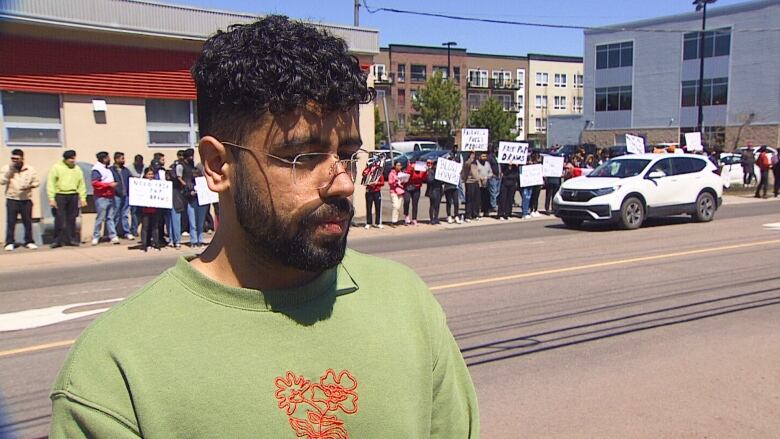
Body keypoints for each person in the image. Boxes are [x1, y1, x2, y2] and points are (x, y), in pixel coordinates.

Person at [49, 16, 478, 439]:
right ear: (218, 166)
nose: (343, 182)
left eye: (347, 154)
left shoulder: (407, 306)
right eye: (303, 157)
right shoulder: (115, 371)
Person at [2, 149, 40, 250]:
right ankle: (9, 242)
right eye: (12, 158)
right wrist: (10, 172)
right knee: (11, 222)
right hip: (12, 199)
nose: (14, 160)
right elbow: (1, 181)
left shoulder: (30, 169)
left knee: (27, 222)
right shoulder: (7, 168)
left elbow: (37, 182)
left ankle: (29, 241)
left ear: (22, 158)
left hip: (26, 199)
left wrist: (30, 186)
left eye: (17, 158)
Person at [48, 150, 87, 248]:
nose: (73, 160)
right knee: (59, 218)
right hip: (60, 194)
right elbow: (51, 183)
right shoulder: (57, 167)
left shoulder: (77, 169)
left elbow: (81, 184)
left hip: (73, 195)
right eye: (70, 159)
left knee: (72, 218)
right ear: (65, 159)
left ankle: (71, 239)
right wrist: (51, 198)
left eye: (74, 158)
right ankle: (57, 240)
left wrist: (83, 198)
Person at [90, 152, 119, 245]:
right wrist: (108, 185)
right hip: (101, 197)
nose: (109, 159)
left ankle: (113, 235)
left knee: (110, 217)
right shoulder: (96, 169)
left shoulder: (108, 169)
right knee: (100, 217)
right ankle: (96, 236)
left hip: (110, 195)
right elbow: (95, 183)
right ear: (104, 158)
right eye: (108, 157)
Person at [181, 149, 207, 247]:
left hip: (202, 202)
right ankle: (193, 241)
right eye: (194, 173)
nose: (196, 174)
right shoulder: (189, 181)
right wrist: (191, 192)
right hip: (192, 202)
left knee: (200, 223)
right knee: (193, 223)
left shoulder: (204, 182)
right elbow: (186, 190)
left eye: (197, 173)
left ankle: (200, 240)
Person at [111, 152, 134, 240]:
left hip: (126, 195)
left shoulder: (126, 170)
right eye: (122, 158)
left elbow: (131, 179)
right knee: (116, 214)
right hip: (116, 195)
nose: (124, 160)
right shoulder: (111, 170)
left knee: (124, 214)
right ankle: (114, 233)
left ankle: (126, 232)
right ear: (116, 159)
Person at [139, 167, 161, 252]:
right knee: (145, 227)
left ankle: (156, 244)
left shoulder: (157, 184)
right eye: (149, 174)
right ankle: (144, 245)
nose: (151, 176)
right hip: (145, 210)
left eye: (152, 174)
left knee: (155, 227)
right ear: (145, 175)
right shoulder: (140, 184)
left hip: (155, 209)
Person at [442, 147, 463, 224]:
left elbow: (461, 166)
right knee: (448, 202)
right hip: (448, 185)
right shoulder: (447, 156)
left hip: (455, 184)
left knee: (456, 201)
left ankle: (456, 215)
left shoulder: (458, 156)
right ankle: (449, 216)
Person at [402, 159, 426, 225]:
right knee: (407, 201)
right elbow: (407, 175)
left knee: (415, 204)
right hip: (408, 187)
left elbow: (423, 178)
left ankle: (414, 218)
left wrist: (425, 171)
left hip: (416, 188)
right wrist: (411, 168)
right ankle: (406, 215)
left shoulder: (421, 170)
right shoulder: (409, 168)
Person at [362, 159, 384, 229]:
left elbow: (382, 182)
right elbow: (364, 180)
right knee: (368, 207)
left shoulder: (379, 173)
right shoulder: (367, 171)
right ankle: (368, 222)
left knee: (378, 207)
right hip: (369, 191)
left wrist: (376, 183)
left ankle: (378, 222)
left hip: (377, 192)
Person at [128, 154, 144, 236]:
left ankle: (140, 228)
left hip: (143, 195)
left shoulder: (145, 168)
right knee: (134, 212)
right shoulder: (129, 169)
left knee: (142, 213)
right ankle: (133, 229)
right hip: (134, 194)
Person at [425, 159, 443, 225]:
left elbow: (443, 181)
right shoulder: (431, 171)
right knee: (432, 205)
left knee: (437, 205)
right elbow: (429, 180)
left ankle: (436, 218)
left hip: (439, 189)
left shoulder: (441, 172)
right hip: (432, 190)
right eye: (436, 165)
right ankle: (431, 219)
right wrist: (436, 177)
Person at [387, 160, 405, 226]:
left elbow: (404, 182)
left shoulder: (402, 173)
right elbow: (390, 182)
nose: (399, 167)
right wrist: (396, 181)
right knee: (395, 206)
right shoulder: (391, 173)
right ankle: (393, 221)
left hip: (400, 191)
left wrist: (403, 181)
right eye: (398, 165)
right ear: (395, 166)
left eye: (400, 165)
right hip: (393, 191)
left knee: (398, 207)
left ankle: (396, 220)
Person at [475, 152, 493, 218]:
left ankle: (486, 211)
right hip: (479, 184)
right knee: (478, 199)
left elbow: (491, 173)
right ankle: (478, 212)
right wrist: (479, 177)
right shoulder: (477, 163)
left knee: (486, 198)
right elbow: (475, 172)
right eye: (483, 156)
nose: (484, 158)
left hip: (486, 184)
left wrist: (487, 177)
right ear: (480, 157)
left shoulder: (487, 164)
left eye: (485, 156)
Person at [463, 152, 480, 222]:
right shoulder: (468, 162)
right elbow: (466, 165)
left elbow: (479, 171)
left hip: (476, 182)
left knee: (476, 199)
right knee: (469, 199)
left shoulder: (477, 162)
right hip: (469, 182)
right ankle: (468, 215)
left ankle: (475, 214)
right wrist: (471, 158)